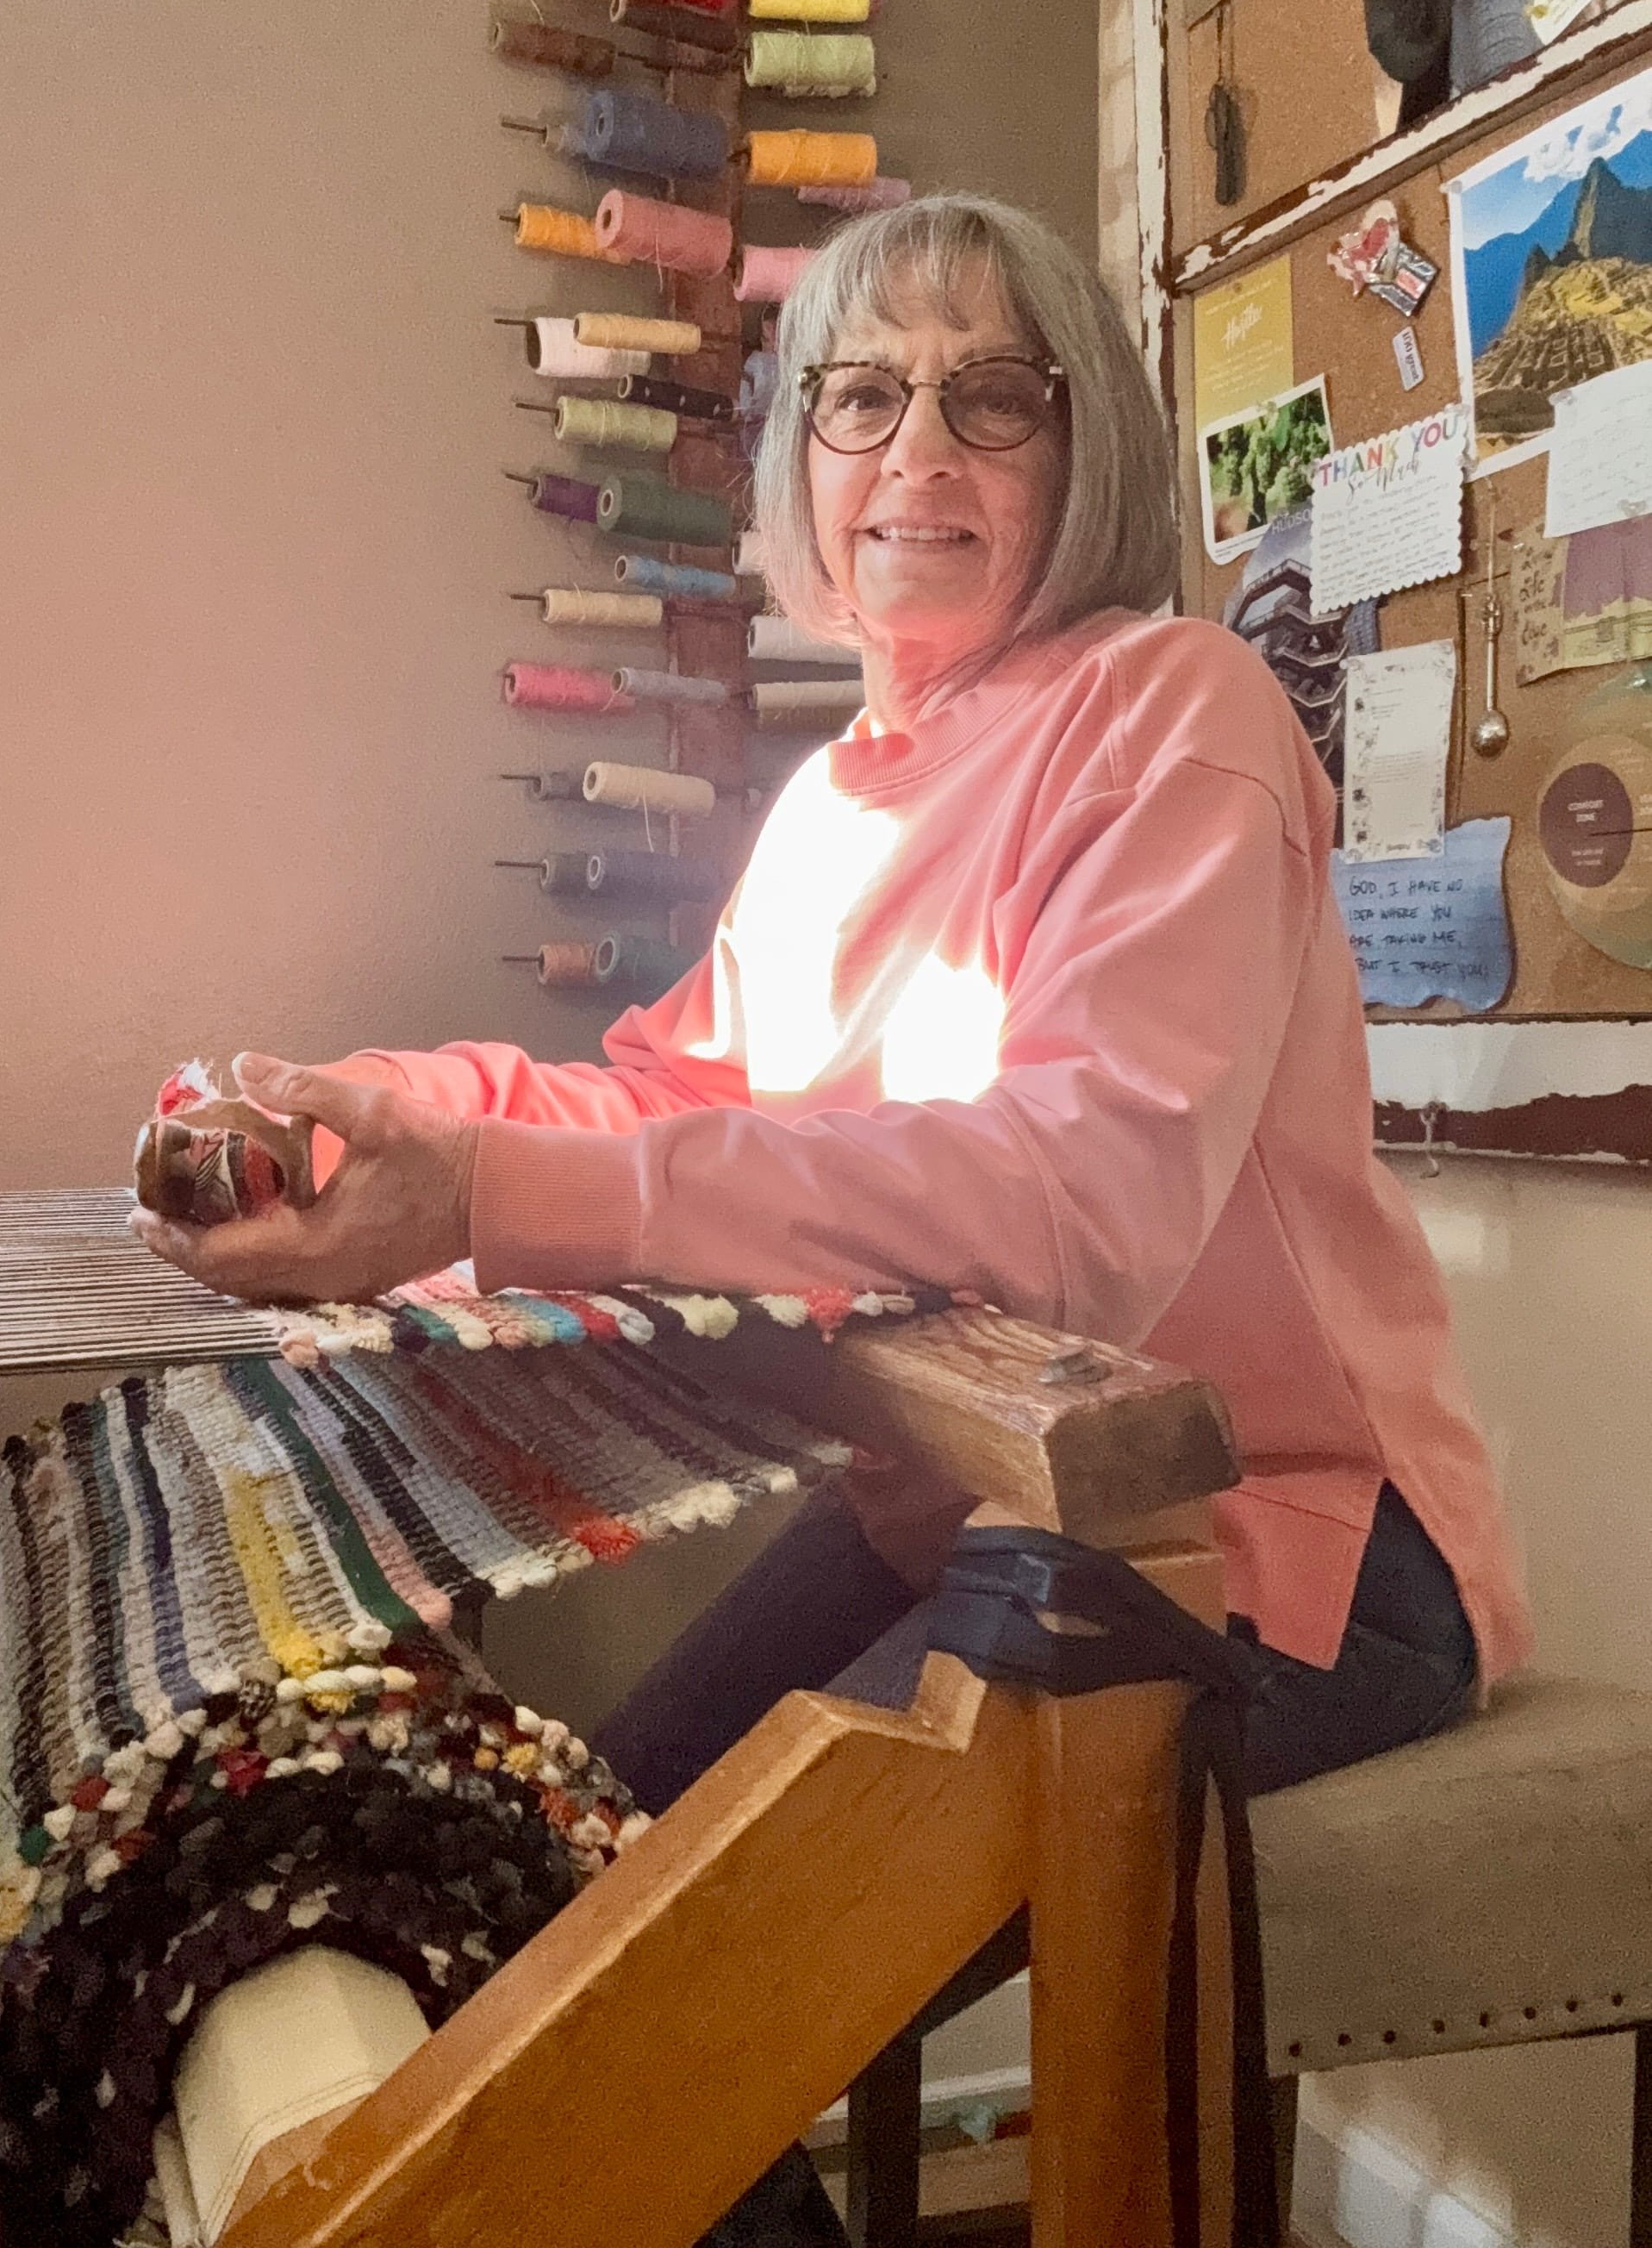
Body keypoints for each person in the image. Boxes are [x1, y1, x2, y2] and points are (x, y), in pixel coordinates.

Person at [134, 193, 1528, 2245]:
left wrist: (502, 1192)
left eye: (992, 398)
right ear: (800, 459)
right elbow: (667, 1096)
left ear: (1091, 452)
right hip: (969, 1503)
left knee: (653, 2031)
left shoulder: (1185, 711)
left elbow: (1077, 1200)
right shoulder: (841, 801)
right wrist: (381, 1112)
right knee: (544, 1901)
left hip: (1282, 1539)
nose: (918, 455)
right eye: (863, 397)